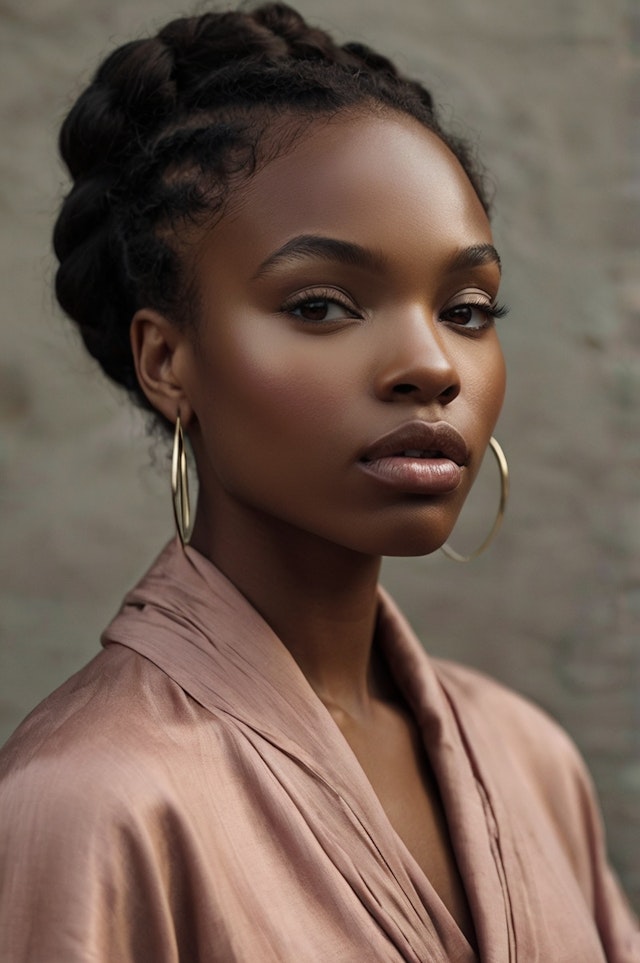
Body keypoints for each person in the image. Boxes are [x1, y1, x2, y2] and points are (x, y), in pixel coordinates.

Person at [0, 3, 637, 960]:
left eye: (467, 308)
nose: (432, 365)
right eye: (322, 304)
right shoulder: (90, 798)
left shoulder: (529, 757)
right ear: (167, 360)